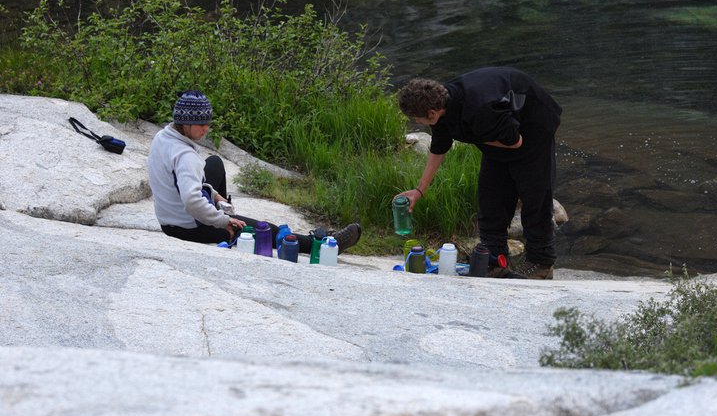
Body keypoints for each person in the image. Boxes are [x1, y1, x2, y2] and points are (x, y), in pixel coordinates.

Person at [396, 67, 561, 279]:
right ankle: (494, 259)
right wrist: (419, 190)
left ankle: (541, 263)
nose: (416, 122)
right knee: (491, 198)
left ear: (431, 113)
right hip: (496, 136)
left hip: (533, 131)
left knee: (534, 198)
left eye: (417, 119)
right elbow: (439, 147)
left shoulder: (480, 111)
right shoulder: (441, 105)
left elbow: (514, 142)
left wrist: (474, 137)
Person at [147, 90, 361, 254]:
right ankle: (321, 245)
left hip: (169, 220)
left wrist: (214, 195)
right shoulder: (186, 157)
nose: (206, 129)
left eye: (208, 123)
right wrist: (223, 221)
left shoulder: (163, 137)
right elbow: (192, 201)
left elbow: (183, 183)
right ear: (184, 123)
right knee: (265, 229)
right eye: (200, 124)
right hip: (189, 227)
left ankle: (221, 212)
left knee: (214, 163)